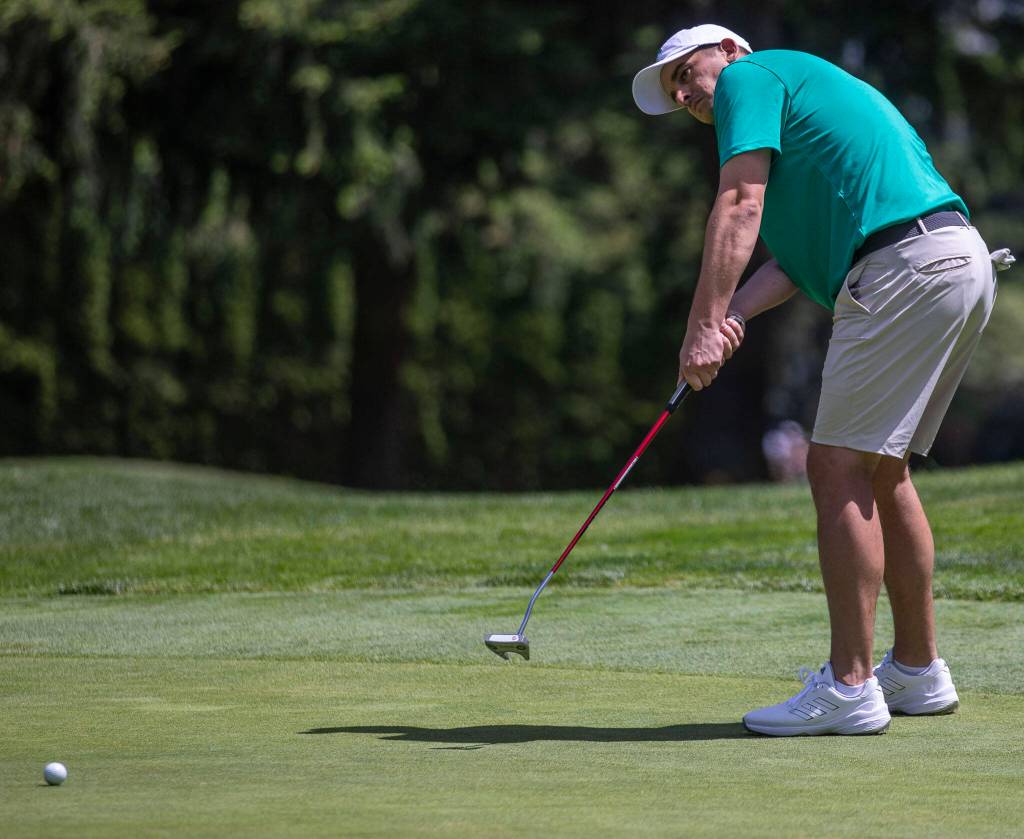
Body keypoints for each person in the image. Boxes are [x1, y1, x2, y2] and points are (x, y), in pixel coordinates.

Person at [633, 24, 1011, 735]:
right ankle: (918, 670)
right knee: (882, 468)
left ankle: (848, 684)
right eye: (672, 88)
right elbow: (786, 265)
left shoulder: (754, 77)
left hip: (906, 265)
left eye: (687, 71)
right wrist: (731, 317)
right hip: (955, 260)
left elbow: (738, 206)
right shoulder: (803, 131)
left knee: (833, 464)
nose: (683, 91)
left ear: (730, 52)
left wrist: (702, 323)